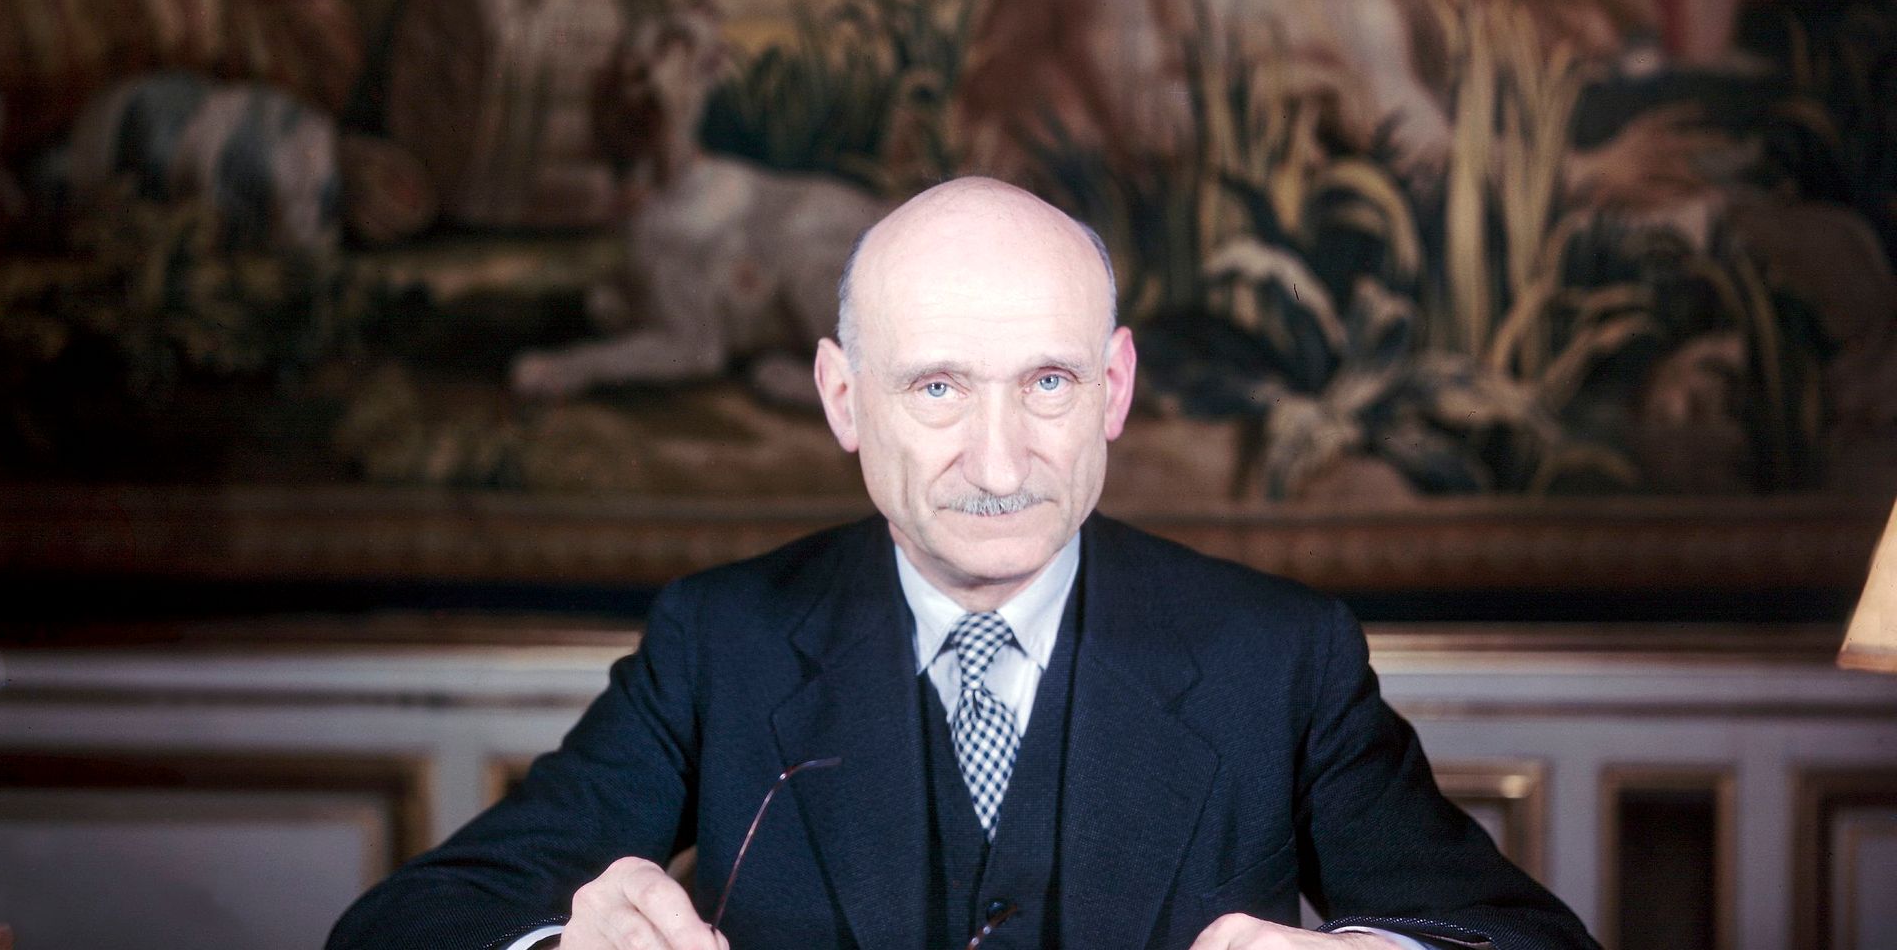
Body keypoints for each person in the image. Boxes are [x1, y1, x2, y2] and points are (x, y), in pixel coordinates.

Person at [328, 178, 1599, 950]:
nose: (1001, 459)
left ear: (1114, 387)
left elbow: (1530, 943)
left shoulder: (1284, 655)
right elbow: (399, 933)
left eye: (1046, 381)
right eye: (937, 387)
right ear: (842, 398)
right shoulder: (719, 642)